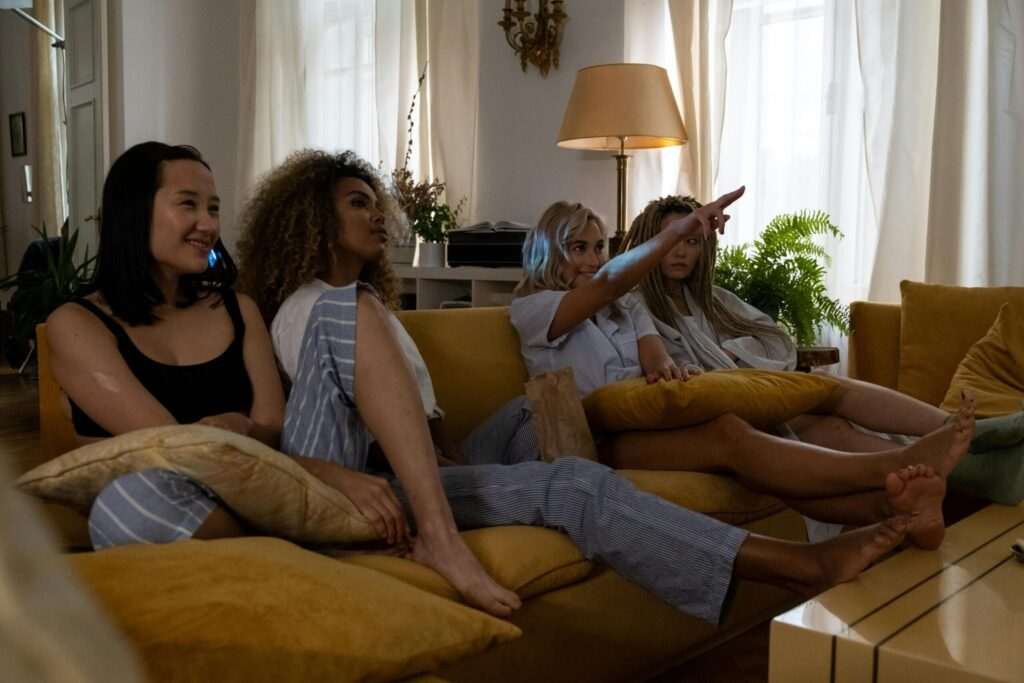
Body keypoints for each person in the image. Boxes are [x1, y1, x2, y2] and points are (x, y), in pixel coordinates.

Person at [236, 148, 934, 625]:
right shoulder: (313, 309)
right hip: (375, 479)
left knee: (582, 445)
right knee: (575, 464)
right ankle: (816, 550)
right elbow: (297, 429)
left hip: (441, 462)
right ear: (313, 220)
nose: (377, 215)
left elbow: (619, 316)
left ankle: (873, 506)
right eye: (358, 203)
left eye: (375, 202)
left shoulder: (376, 311)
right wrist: (671, 236)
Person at [46, 142, 517, 618]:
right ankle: (318, 549)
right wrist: (309, 465)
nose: (208, 224)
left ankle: (436, 537)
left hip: (282, 488)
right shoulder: (77, 323)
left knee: (346, 305)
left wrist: (276, 447)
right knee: (125, 504)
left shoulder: (237, 308)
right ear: (133, 212)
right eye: (188, 205)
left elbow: (274, 427)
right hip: (195, 499)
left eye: (214, 209)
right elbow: (172, 447)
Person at [509, 198, 976, 550]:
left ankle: (898, 510)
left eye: (597, 247)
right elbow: (612, 280)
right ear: (549, 251)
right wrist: (681, 229)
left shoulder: (624, 308)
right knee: (732, 436)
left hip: (647, 418)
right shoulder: (533, 308)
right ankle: (896, 463)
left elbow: (654, 356)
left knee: (746, 435)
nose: (593, 259)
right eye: (578, 248)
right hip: (594, 438)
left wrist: (671, 373)